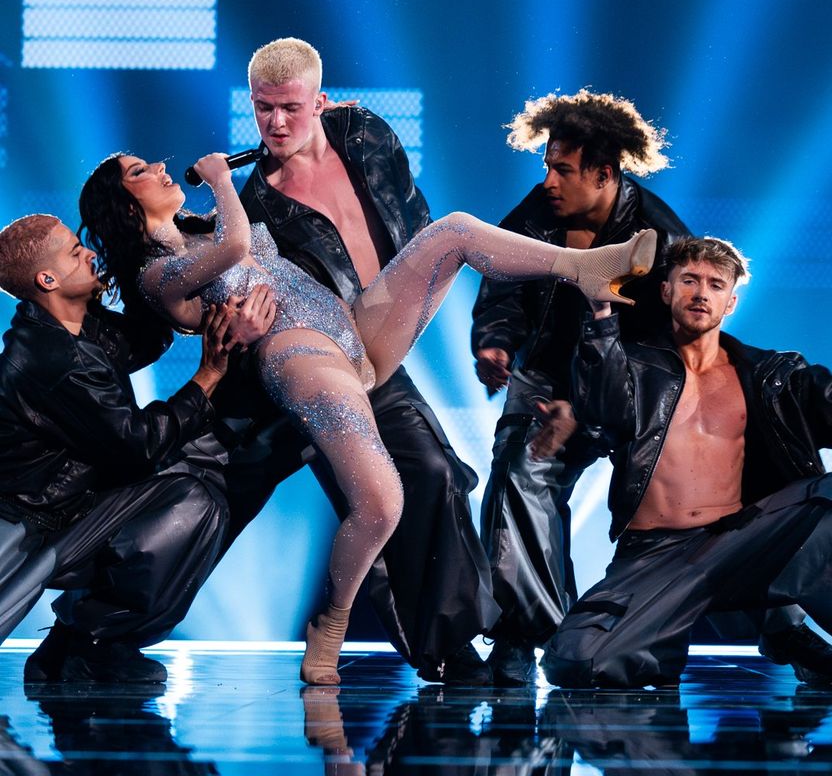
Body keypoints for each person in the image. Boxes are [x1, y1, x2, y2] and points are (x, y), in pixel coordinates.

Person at [78, 147, 657, 685]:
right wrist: (224, 182)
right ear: (125, 208)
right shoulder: (157, 274)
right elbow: (233, 252)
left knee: (452, 231)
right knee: (382, 500)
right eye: (138, 172)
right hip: (296, 352)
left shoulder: (206, 225)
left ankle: (583, 266)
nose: (158, 166)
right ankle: (331, 623)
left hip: (354, 332)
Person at [227, 37, 497, 685]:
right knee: (357, 501)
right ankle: (96, 630)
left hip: (379, 353)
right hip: (312, 375)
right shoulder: (254, 204)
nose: (277, 124)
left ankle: (452, 645)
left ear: (319, 102)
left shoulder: (364, 130)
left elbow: (410, 213)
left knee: (432, 471)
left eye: (291, 107)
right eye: (264, 109)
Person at [543, 236, 832, 689]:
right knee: (578, 663)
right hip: (653, 554)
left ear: (730, 302)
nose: (701, 293)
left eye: (715, 285)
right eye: (690, 280)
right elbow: (603, 407)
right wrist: (600, 315)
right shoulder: (632, 364)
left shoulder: (772, 375)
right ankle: (662, 639)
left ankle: (784, 628)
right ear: (666, 291)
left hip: (740, 542)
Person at [471, 88, 689, 684]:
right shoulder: (541, 212)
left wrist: (586, 407)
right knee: (518, 473)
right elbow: (503, 275)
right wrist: (496, 340)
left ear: (604, 175)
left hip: (632, 389)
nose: (549, 180)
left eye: (562, 169)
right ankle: (524, 634)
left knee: (696, 501)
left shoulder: (660, 240)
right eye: (546, 165)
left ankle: (783, 626)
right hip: (542, 372)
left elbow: (663, 353)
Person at [0, 213, 254, 683]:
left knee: (203, 463)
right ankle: (93, 645)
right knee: (194, 500)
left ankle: (73, 640)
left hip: (73, 507)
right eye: (75, 252)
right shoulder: (53, 358)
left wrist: (143, 245)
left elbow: (146, 337)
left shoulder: (77, 326)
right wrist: (210, 373)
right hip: (44, 526)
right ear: (47, 278)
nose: (88, 253)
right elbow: (138, 444)